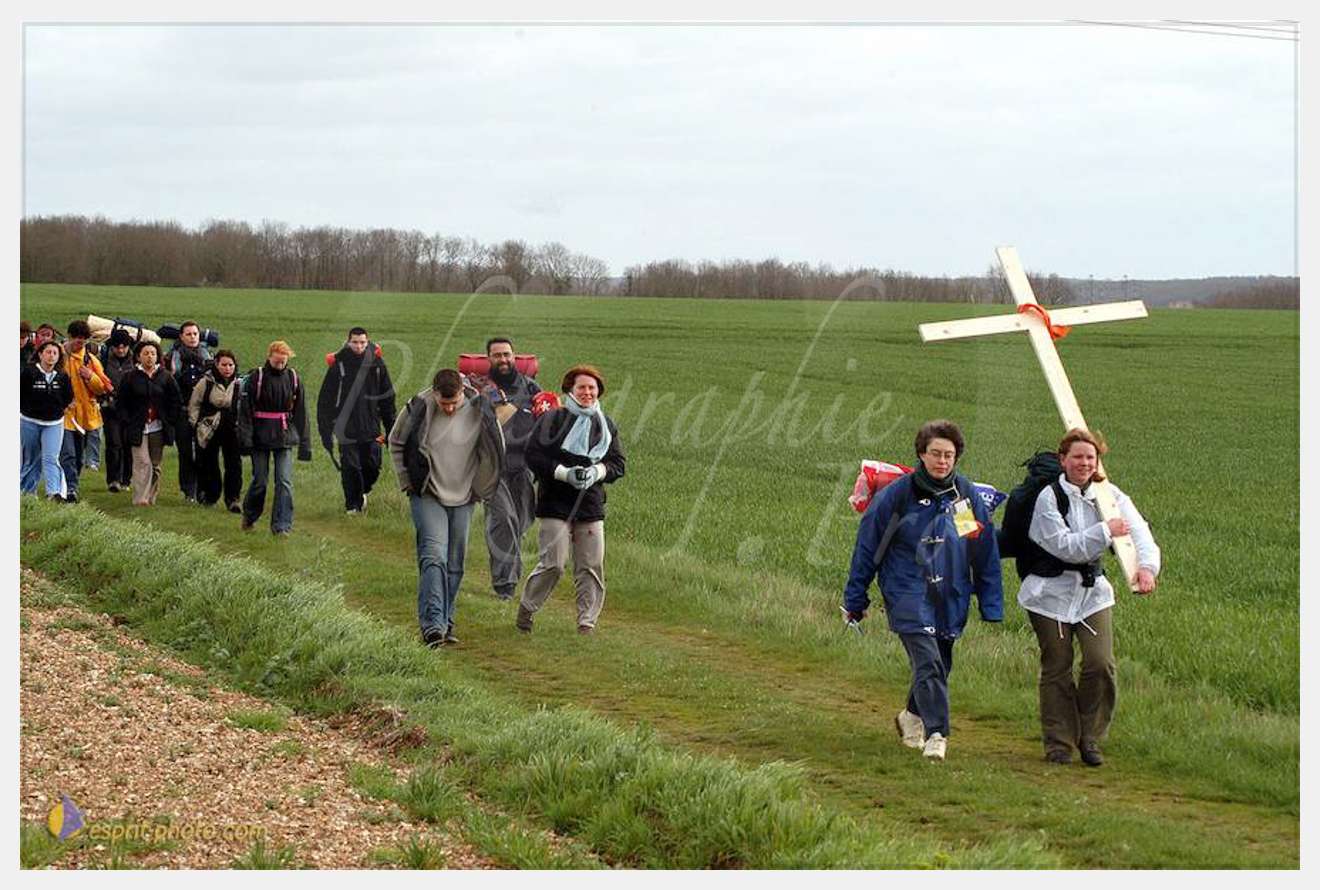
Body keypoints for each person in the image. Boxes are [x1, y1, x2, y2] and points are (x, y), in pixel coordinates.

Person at [842, 419, 1003, 762]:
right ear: (921, 454)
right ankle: (937, 734)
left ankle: (910, 717)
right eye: (935, 454)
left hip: (950, 591)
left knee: (940, 663)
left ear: (956, 457)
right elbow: (868, 547)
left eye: (948, 455)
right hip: (906, 587)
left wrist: (990, 601)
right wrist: (855, 598)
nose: (942, 461)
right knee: (928, 660)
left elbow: (981, 547)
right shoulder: (896, 497)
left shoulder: (964, 496)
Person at [1019, 428, 1160, 767]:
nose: (1084, 463)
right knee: (1057, 665)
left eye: (1090, 458)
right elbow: (1066, 547)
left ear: (1098, 461)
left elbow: (1138, 530)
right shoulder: (1048, 499)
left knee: (1100, 664)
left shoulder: (1110, 496)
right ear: (1063, 460)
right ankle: (1059, 743)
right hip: (1047, 595)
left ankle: (1091, 737)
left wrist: (1147, 568)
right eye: (1077, 457)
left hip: (1091, 594)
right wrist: (1104, 531)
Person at [388, 368, 504, 648]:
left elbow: (497, 447)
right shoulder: (418, 406)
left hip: (465, 494)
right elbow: (396, 442)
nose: (450, 408)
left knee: (454, 563)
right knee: (433, 557)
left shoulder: (481, 408)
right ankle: (432, 626)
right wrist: (407, 482)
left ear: (463, 392)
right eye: (444, 403)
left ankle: (447, 620)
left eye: (454, 403)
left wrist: (486, 485)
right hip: (427, 492)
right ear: (435, 394)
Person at [516, 364, 626, 636]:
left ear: (599, 390)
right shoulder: (552, 419)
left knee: (590, 565)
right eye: (582, 387)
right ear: (570, 390)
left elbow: (618, 463)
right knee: (554, 563)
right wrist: (564, 473)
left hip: (590, 503)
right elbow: (533, 455)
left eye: (592, 388)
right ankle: (528, 608)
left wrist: (597, 472)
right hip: (555, 501)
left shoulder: (606, 424)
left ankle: (586, 623)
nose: (588, 392)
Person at [467, 337, 541, 600]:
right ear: (488, 358)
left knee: (520, 523)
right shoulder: (476, 387)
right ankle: (505, 585)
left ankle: (509, 574)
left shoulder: (531, 388)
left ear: (514, 356)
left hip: (523, 467)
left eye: (507, 354)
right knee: (503, 519)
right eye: (497, 355)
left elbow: (544, 423)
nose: (503, 359)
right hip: (490, 467)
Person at [316, 327, 397, 514]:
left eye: (362, 342)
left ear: (368, 343)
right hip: (345, 428)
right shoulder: (339, 366)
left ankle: (363, 491)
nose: (359, 346)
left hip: (371, 427)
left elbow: (388, 400)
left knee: (372, 467)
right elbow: (325, 401)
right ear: (348, 342)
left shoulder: (377, 366)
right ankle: (352, 505)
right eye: (355, 342)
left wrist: (391, 428)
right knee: (350, 467)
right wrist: (326, 431)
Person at [235, 340, 312, 536]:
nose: (280, 365)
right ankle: (250, 516)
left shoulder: (294, 379)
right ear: (269, 357)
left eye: (283, 362)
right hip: (259, 437)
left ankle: (282, 526)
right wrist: (245, 440)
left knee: (284, 481)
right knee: (260, 480)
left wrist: (305, 445)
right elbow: (245, 412)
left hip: (284, 437)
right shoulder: (256, 378)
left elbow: (302, 413)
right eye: (277, 361)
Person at [117, 341, 182, 507]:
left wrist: (170, 419)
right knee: (142, 462)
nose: (149, 357)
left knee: (155, 465)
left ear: (157, 356)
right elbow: (121, 402)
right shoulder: (130, 377)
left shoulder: (165, 377)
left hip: (158, 427)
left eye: (153, 353)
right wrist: (126, 420)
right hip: (137, 426)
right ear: (138, 356)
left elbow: (175, 400)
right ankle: (140, 499)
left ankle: (151, 496)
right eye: (146, 353)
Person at [58, 320, 111, 503]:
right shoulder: (59, 357)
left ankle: (72, 484)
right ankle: (70, 488)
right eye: (76, 338)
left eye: (83, 339)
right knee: (68, 453)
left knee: (79, 457)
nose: (79, 342)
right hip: (64, 415)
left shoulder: (91, 360)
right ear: (69, 336)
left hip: (84, 416)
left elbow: (104, 387)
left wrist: (91, 377)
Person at [189, 348, 244, 512]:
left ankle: (233, 499)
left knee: (234, 464)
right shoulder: (206, 382)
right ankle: (210, 495)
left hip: (232, 428)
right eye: (224, 365)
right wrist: (196, 424)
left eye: (231, 365)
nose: (227, 369)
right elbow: (194, 404)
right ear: (217, 365)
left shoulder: (240, 384)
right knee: (209, 463)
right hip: (209, 428)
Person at [166, 321, 214, 502]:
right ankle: (188, 490)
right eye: (189, 334)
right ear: (181, 336)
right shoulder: (174, 357)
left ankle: (203, 489)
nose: (193, 337)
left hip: (203, 412)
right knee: (185, 452)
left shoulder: (207, 356)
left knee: (203, 450)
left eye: (195, 334)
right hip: (183, 411)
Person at [20, 340, 74, 499]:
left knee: (51, 458)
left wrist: (59, 409)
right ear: (40, 354)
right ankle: (27, 492)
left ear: (59, 357)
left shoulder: (63, 376)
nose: (51, 356)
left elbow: (68, 398)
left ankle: (54, 492)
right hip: (29, 421)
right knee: (31, 458)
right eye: (48, 352)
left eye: (55, 353)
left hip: (54, 423)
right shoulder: (29, 373)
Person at [98, 328, 138, 493]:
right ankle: (113, 479)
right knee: (114, 443)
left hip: (130, 410)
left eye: (124, 346)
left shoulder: (136, 361)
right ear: (112, 347)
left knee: (128, 445)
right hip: (111, 409)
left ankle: (126, 479)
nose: (120, 350)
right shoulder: (104, 360)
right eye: (117, 347)